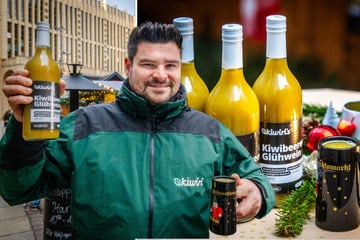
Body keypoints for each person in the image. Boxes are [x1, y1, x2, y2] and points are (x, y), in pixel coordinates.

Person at [0, 21, 275, 239]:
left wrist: (258, 192)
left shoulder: (208, 132)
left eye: (170, 65)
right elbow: (16, 190)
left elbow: (256, 178)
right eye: (148, 64)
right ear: (128, 66)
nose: (161, 74)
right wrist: (21, 127)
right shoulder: (83, 126)